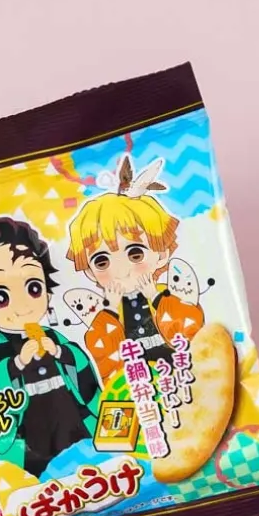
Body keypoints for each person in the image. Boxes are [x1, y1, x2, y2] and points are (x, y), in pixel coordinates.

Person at [0, 216, 101, 479]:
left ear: (47, 291)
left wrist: (60, 353)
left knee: (89, 460)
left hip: (70, 420)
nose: (23, 305)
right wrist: (16, 364)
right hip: (29, 436)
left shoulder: (53, 337)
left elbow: (83, 371)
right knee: (32, 476)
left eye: (33, 288)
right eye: (0, 297)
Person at [66, 153, 179, 382]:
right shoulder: (108, 312)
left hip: (180, 378)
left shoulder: (167, 296)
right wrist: (109, 308)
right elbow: (101, 353)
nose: (121, 270)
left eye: (135, 254)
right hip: (134, 388)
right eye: (102, 261)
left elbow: (189, 331)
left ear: (162, 254)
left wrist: (156, 297)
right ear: (89, 271)